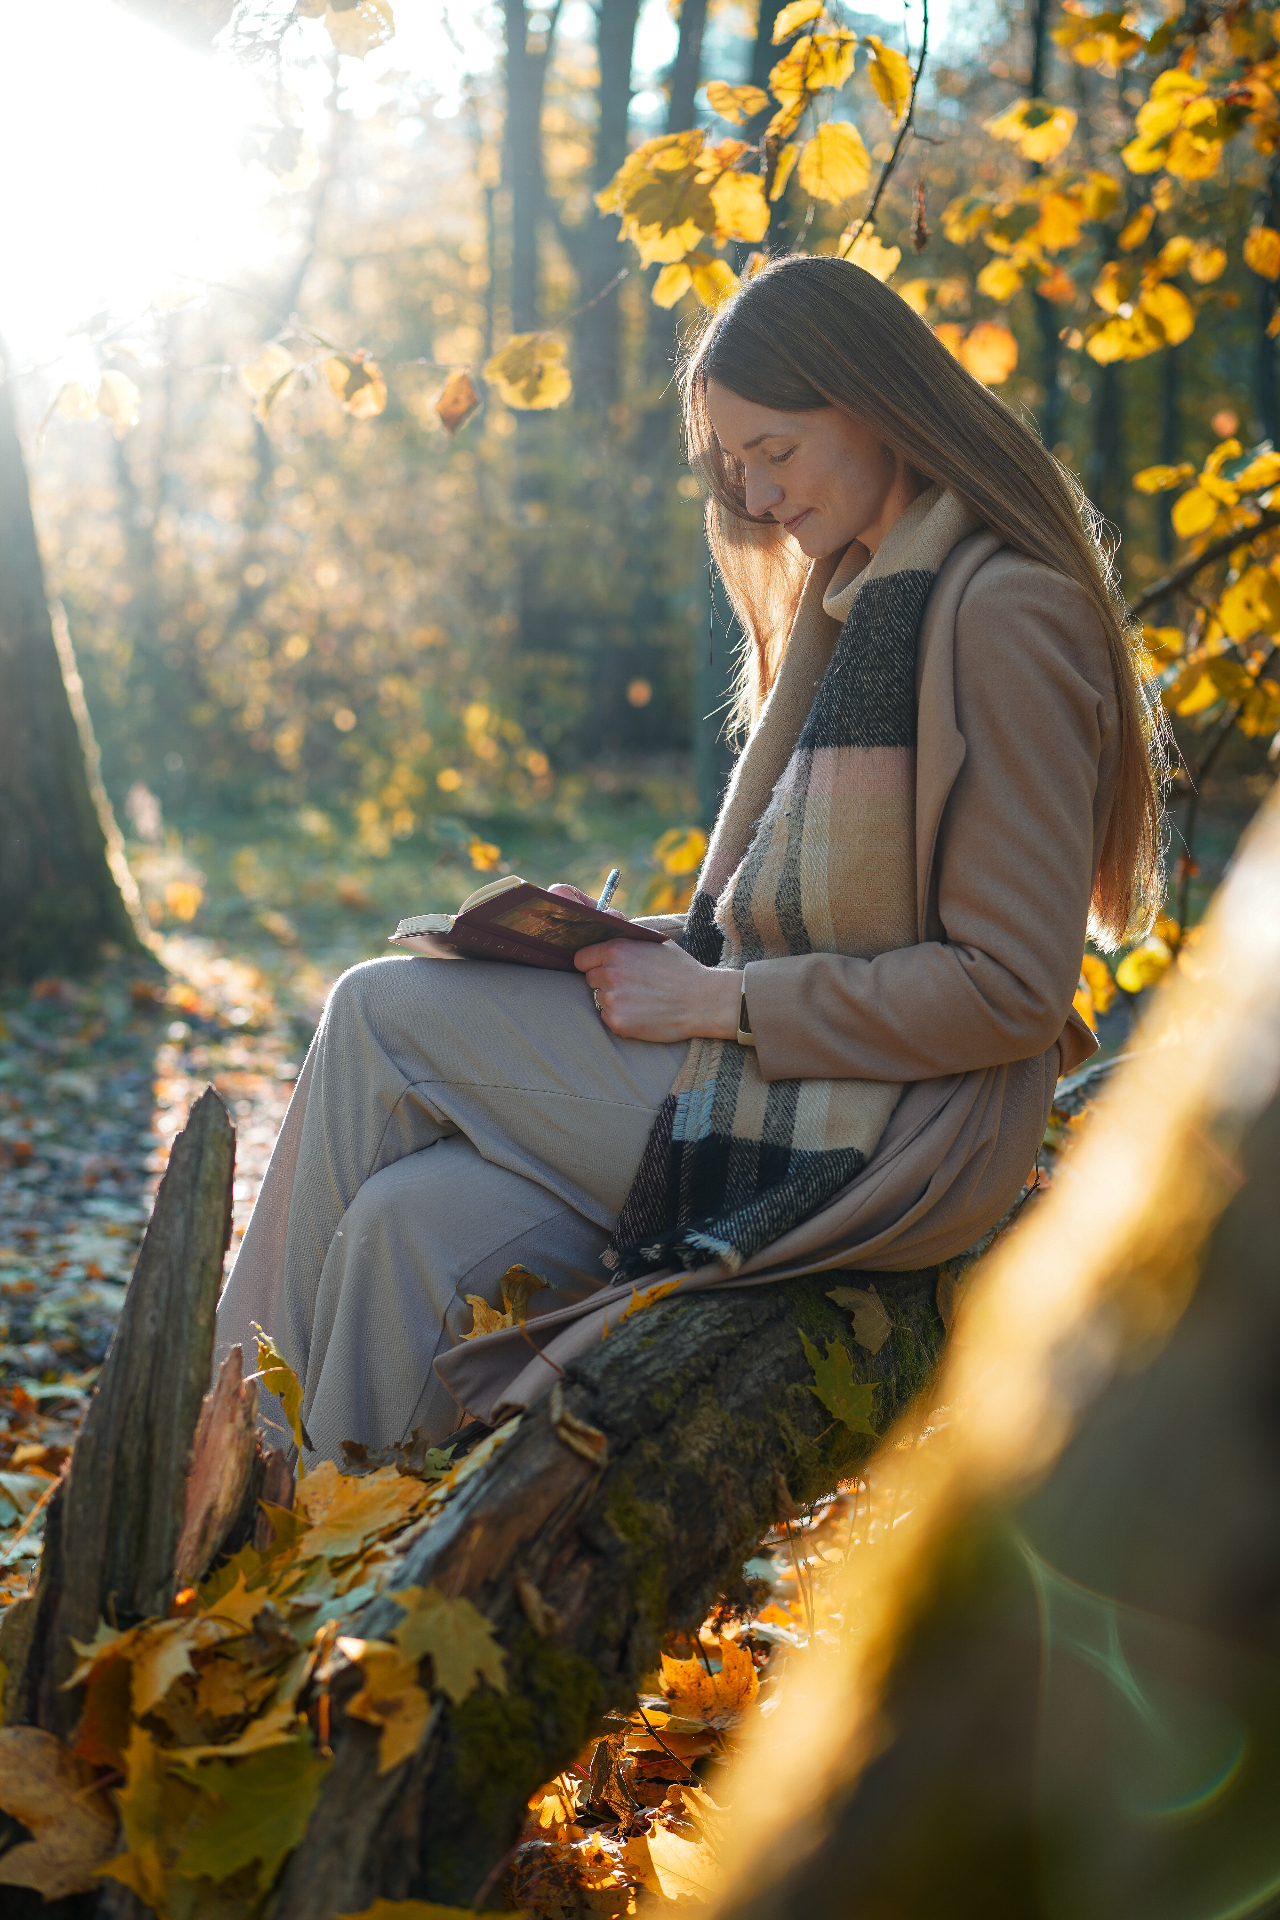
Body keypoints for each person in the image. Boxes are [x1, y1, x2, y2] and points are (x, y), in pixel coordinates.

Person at [213, 254, 1165, 1464]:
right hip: (789, 1080)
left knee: (376, 1014)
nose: (758, 497)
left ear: (873, 406)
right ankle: (307, 1585)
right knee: (409, 1222)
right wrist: (627, 950)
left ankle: (202, 1467)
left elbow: (1009, 992)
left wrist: (715, 998)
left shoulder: (1002, 610)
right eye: (735, 466)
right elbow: (816, 923)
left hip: (893, 1137)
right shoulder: (868, 597)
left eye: (775, 451)